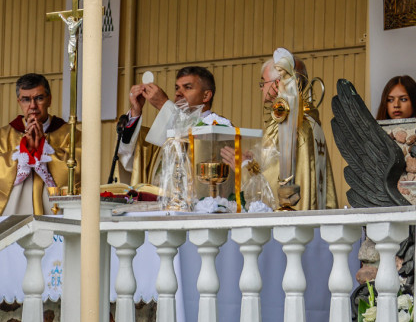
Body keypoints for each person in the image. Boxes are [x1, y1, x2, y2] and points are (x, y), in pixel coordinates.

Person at [243, 48, 338, 211]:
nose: (261, 88)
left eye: (263, 82)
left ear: (277, 83)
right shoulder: (309, 121)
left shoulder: (286, 121)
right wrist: (256, 160)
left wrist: (244, 166)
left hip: (290, 215)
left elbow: (273, 182)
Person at [0, 73, 77, 217]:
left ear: (49, 100)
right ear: (19, 102)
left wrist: (44, 150)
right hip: (14, 215)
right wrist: (24, 152)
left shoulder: (71, 135)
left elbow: (80, 170)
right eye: (26, 99)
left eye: (39, 98)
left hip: (57, 213)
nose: (33, 106)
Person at [117, 66, 231, 187]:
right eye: (177, 88)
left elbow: (199, 146)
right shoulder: (168, 129)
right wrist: (135, 111)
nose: (178, 93)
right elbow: (135, 161)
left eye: (187, 87)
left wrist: (164, 105)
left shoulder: (219, 126)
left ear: (206, 96)